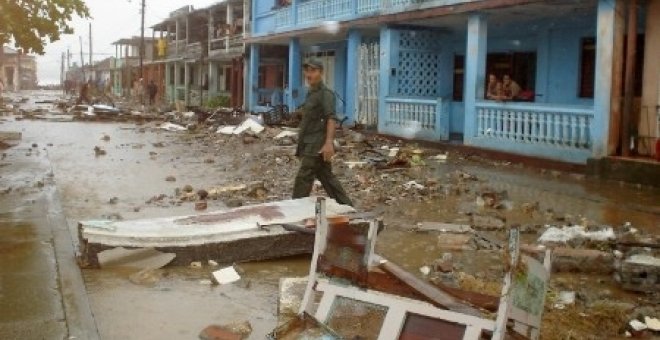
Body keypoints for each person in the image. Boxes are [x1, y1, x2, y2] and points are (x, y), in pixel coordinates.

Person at [292, 58, 353, 206]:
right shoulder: (311, 93)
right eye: (307, 70)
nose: (308, 74)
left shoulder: (326, 94)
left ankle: (294, 212)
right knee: (327, 177)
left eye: (313, 70)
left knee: (303, 178)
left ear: (321, 72)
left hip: (317, 144)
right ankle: (347, 208)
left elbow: (331, 119)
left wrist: (328, 143)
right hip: (309, 143)